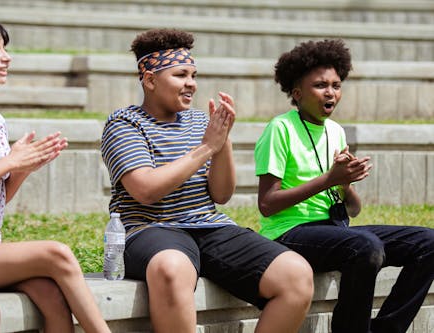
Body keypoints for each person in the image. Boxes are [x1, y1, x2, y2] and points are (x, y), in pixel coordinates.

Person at [101, 28, 314, 333]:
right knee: (172, 269)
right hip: (151, 229)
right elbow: (145, 190)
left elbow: (222, 193)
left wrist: (222, 140)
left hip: (210, 226)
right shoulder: (124, 123)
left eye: (194, 75)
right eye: (180, 75)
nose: (191, 84)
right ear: (149, 80)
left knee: (296, 274)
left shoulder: (201, 121)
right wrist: (206, 148)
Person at [0, 15, 111, 333]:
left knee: (51, 295)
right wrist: (12, 162)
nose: (6, 57)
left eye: (5, 48)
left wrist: (23, 169)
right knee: (57, 253)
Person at [254, 39, 434, 333]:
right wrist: (329, 179)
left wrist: (345, 185)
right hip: (289, 233)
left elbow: (354, 209)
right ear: (297, 93)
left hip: (336, 230)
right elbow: (267, 203)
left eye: (336, 85)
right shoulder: (280, 129)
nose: (331, 93)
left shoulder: (336, 131)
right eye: (321, 85)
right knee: (365, 247)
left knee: (428, 242)